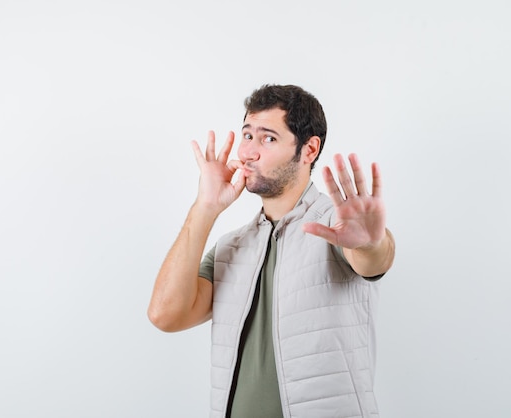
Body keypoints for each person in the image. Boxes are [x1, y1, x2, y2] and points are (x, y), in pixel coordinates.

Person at [148, 84, 395, 418]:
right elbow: (165, 315)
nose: (249, 152)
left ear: (309, 150)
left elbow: (374, 259)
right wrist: (205, 206)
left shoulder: (335, 228)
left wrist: (370, 242)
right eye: (247, 135)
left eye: (268, 138)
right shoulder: (230, 248)